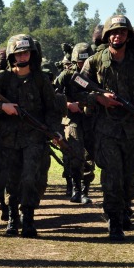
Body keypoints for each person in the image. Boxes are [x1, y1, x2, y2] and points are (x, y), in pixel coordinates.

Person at [80, 15, 134, 241]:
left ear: (127, 36)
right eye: (113, 32)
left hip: (132, 129)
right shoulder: (94, 61)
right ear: (106, 36)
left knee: (130, 177)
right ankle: (113, 220)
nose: (117, 36)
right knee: (112, 176)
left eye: (122, 32)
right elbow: (78, 87)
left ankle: (124, 208)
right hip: (106, 129)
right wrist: (98, 98)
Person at [0, 34, 63, 238]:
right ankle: (12, 219)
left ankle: (28, 218)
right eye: (18, 53)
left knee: (30, 178)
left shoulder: (41, 80)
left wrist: (54, 131)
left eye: (26, 52)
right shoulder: (2, 80)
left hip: (34, 139)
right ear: (11, 56)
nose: (22, 56)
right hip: (7, 140)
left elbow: (53, 109)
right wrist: (3, 107)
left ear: (32, 54)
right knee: (12, 179)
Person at [53, 42, 96, 204]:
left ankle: (85, 190)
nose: (82, 65)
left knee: (90, 157)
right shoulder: (66, 75)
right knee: (76, 155)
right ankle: (77, 189)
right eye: (80, 62)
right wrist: (67, 104)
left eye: (85, 61)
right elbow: (51, 95)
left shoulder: (96, 74)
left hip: (91, 120)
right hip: (72, 120)